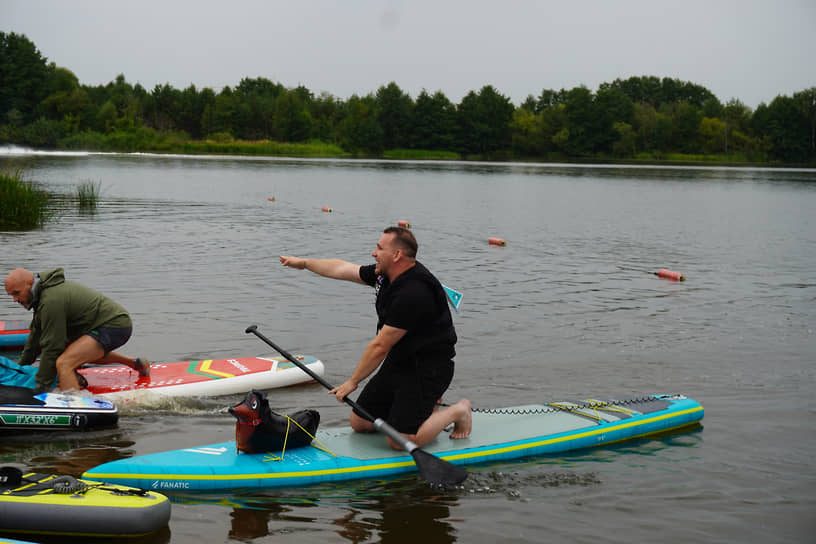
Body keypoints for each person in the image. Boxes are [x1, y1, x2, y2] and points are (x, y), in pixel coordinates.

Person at [280, 226, 471, 450]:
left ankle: (458, 410)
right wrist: (303, 263)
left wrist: (352, 382)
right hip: (401, 361)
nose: (373, 253)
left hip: (428, 368)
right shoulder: (386, 275)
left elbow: (380, 345)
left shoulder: (414, 292)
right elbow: (343, 269)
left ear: (397, 255)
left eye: (379, 248)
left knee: (400, 441)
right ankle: (426, 408)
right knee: (360, 422)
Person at [3, 268, 149, 392]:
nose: (15, 300)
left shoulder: (51, 301)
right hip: (102, 325)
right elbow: (35, 337)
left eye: (16, 293)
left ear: (29, 284)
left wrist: (41, 388)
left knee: (64, 363)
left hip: (114, 325)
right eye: (11, 296)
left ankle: (75, 405)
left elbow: (52, 346)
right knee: (77, 353)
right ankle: (135, 363)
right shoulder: (41, 296)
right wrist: (18, 368)